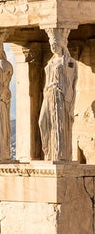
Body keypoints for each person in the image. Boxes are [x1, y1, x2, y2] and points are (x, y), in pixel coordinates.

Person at [39, 30, 77, 161]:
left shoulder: (68, 61)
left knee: (59, 124)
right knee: (42, 122)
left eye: (55, 43)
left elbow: (71, 81)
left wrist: (67, 98)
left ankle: (60, 155)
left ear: (61, 44)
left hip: (60, 95)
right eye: (51, 43)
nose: (52, 46)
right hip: (49, 94)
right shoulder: (50, 62)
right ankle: (49, 153)